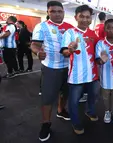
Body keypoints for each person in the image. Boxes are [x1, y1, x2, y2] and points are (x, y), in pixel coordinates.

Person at [30, 1, 73, 141]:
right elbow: (34, 44)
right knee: (47, 98)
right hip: (50, 68)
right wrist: (37, 52)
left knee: (65, 92)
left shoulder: (70, 28)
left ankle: (61, 110)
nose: (56, 14)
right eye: (53, 11)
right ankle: (45, 124)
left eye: (59, 11)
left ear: (63, 12)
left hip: (68, 67)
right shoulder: (41, 26)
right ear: (48, 13)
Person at [61, 4, 99, 134]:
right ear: (76, 17)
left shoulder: (93, 34)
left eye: (87, 17)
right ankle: (75, 122)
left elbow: (99, 51)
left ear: (90, 19)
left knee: (93, 96)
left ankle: (89, 111)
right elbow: (64, 51)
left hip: (93, 75)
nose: (85, 19)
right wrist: (69, 50)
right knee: (74, 102)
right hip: (76, 76)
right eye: (81, 16)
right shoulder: (69, 33)